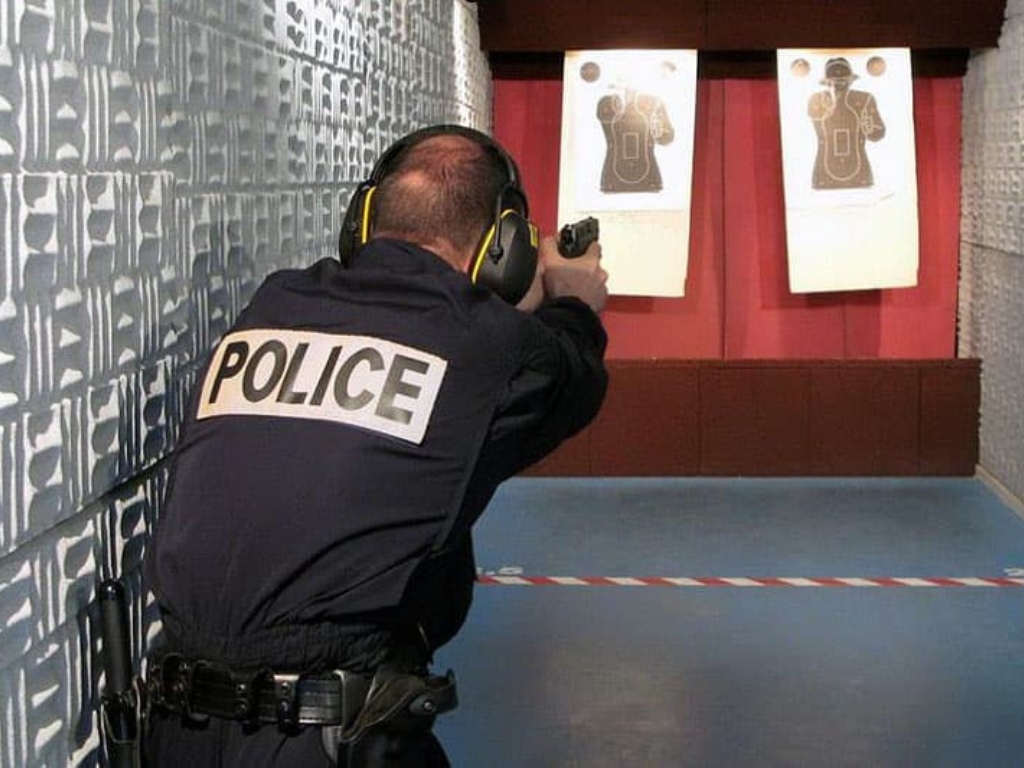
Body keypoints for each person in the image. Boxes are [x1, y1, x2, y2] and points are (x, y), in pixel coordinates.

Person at [141, 124, 609, 767]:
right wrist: (575, 300)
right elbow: (572, 377)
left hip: (176, 727)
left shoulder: (272, 303)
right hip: (330, 741)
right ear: (504, 246)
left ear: (363, 219)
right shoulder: (493, 347)